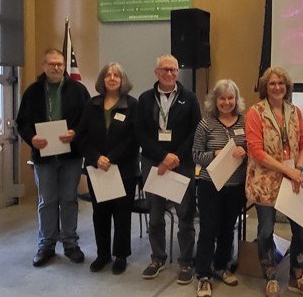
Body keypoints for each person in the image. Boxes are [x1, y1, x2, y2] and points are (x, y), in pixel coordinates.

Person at [245, 67, 303, 297]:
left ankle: (297, 278)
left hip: (293, 180)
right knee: (266, 231)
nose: (277, 87)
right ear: (265, 88)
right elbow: (257, 152)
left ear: (287, 87)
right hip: (264, 181)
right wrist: (286, 170)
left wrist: (297, 169)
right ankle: (270, 278)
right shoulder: (255, 113)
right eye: (272, 84)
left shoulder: (295, 112)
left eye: (281, 84)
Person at [16, 48, 90, 267]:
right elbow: (23, 123)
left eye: (60, 64)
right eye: (52, 64)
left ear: (64, 66)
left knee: (69, 198)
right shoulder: (33, 91)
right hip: (44, 155)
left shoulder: (78, 90)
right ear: (44, 66)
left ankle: (70, 243)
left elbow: (87, 119)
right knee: (47, 200)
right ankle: (46, 244)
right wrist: (32, 138)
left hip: (71, 155)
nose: (57, 68)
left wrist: (75, 132)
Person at [135, 54, 201, 285]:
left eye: (173, 70)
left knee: (185, 215)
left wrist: (175, 157)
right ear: (156, 73)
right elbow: (141, 133)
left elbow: (195, 132)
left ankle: (186, 261)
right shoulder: (144, 99)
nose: (170, 74)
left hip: (181, 164)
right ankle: (157, 258)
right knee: (155, 215)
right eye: (165, 70)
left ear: (178, 72)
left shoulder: (189, 98)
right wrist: (163, 157)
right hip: (153, 163)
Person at [77, 62, 139, 275]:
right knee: (99, 213)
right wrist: (96, 158)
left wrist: (111, 158)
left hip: (123, 169)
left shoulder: (132, 105)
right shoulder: (91, 105)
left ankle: (120, 255)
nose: (112, 78)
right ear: (102, 80)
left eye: (116, 75)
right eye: (108, 75)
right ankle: (103, 254)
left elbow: (134, 138)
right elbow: (81, 136)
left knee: (122, 214)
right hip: (97, 169)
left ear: (123, 81)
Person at [192, 79, 247, 297]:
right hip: (209, 186)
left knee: (227, 228)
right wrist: (213, 154)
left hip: (235, 187)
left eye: (230, 98)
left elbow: (255, 150)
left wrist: (246, 152)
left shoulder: (245, 121)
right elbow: (195, 155)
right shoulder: (206, 124)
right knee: (208, 230)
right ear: (215, 100)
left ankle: (221, 266)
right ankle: (203, 276)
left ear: (236, 99)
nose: (226, 102)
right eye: (222, 98)